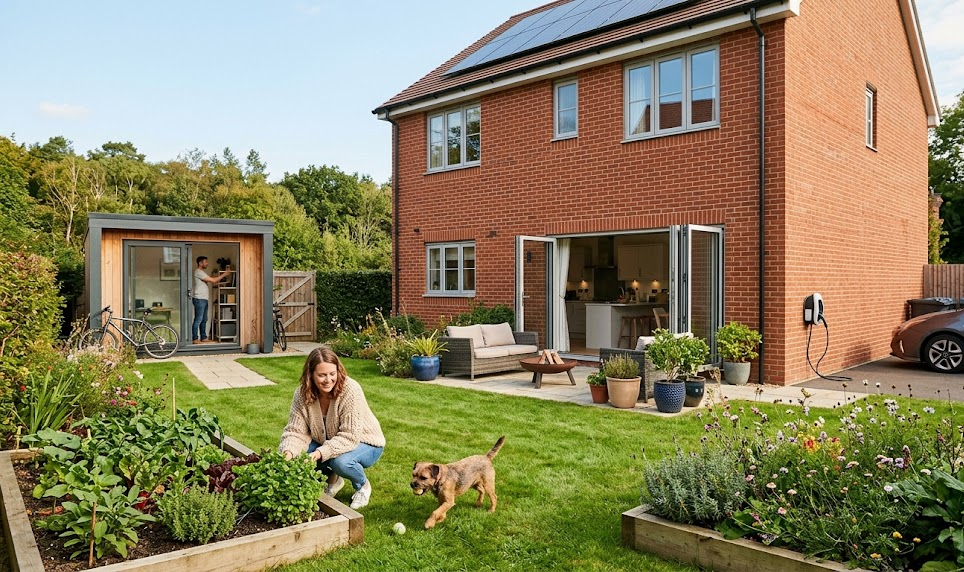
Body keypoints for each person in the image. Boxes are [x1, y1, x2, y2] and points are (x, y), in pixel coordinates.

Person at [279, 346, 385, 509]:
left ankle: (363, 485)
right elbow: (295, 431)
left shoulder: (350, 390)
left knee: (341, 462)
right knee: (300, 455)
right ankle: (333, 479)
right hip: (330, 440)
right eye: (321, 375)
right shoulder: (302, 394)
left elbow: (349, 436)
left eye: (332, 374)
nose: (328, 380)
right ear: (311, 375)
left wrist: (319, 453)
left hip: (365, 441)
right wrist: (288, 453)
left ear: (338, 371)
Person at [192, 255, 232, 344]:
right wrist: (225, 274)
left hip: (203, 299)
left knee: (204, 319)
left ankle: (203, 337)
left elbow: (211, 280)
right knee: (198, 319)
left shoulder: (202, 272)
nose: (207, 263)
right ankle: (195, 338)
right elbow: (213, 281)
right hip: (199, 299)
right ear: (200, 263)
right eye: (205, 262)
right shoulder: (198, 272)